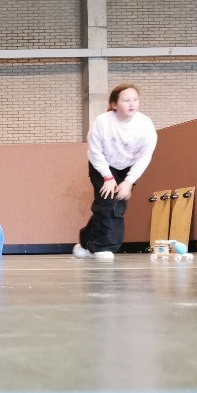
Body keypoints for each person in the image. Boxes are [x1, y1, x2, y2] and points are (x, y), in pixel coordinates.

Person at [73, 83, 157, 260]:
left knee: (116, 205)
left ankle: (86, 242)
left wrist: (129, 181)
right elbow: (94, 152)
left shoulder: (145, 125)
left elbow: (145, 156)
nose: (132, 104)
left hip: (127, 168)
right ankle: (104, 247)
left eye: (135, 99)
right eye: (126, 100)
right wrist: (108, 177)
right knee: (107, 204)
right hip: (102, 165)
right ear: (114, 104)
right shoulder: (102, 122)